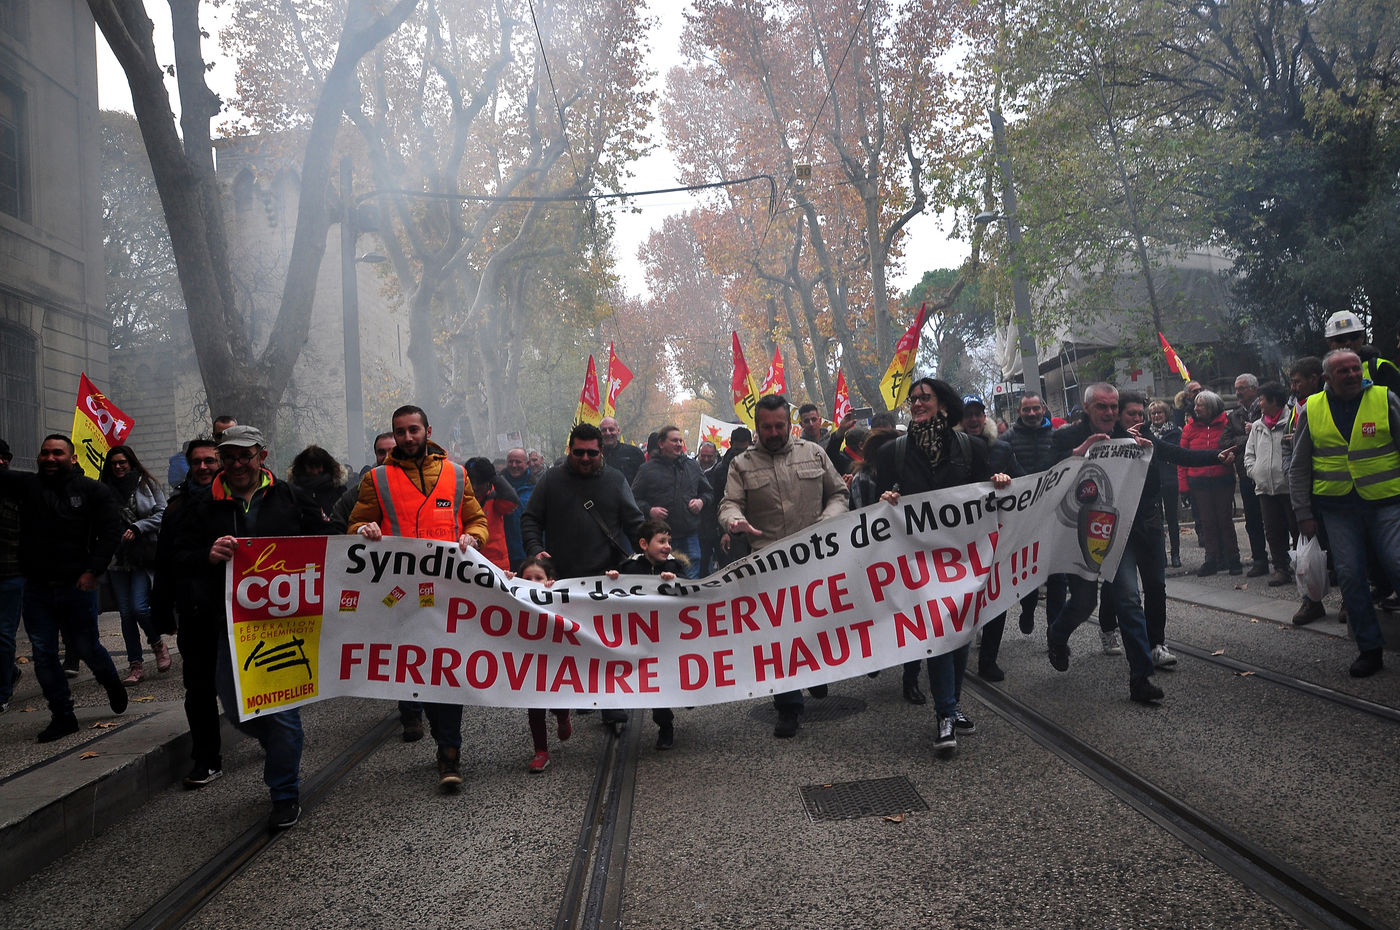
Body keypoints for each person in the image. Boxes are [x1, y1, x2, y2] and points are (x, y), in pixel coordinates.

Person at [176, 425, 325, 829]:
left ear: (262, 455)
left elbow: (328, 540)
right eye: (229, 457)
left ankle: (284, 793)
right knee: (237, 711)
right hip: (228, 626)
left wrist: (362, 534)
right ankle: (280, 741)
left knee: (282, 716)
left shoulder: (290, 496)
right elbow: (175, 556)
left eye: (245, 455)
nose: (237, 463)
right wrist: (206, 555)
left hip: (284, 624)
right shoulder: (200, 505)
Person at [1045, 385, 1231, 702]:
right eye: (1102, 407)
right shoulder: (1068, 437)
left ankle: (1141, 677)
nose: (1108, 413)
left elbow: (1175, 453)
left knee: (1137, 595)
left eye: (1113, 407)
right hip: (1094, 532)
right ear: (1087, 408)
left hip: (1139, 528)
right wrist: (1078, 453)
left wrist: (1216, 456)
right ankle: (1058, 634)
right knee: (1090, 602)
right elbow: (1045, 474)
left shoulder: (1135, 437)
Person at [348, 405, 489, 790]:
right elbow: (355, 524)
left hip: (449, 589)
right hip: (403, 593)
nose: (408, 437)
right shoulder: (377, 478)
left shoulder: (457, 474)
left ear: (428, 430)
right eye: (400, 431)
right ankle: (442, 735)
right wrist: (364, 530)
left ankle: (449, 751)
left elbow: (477, 520)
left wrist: (474, 537)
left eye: (414, 430)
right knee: (423, 669)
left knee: (448, 666)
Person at [871, 380, 1011, 751]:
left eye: (925, 398)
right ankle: (945, 713)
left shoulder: (972, 447)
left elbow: (983, 494)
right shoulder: (892, 453)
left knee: (960, 633)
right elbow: (875, 504)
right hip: (919, 560)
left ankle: (953, 704)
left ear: (943, 406)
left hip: (963, 558)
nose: (917, 403)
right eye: (913, 399)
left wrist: (999, 483)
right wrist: (886, 498)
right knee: (938, 634)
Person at [720, 394, 850, 738]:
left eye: (780, 425)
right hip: (769, 565)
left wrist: (828, 520)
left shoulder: (814, 453)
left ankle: (817, 670)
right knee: (778, 638)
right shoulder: (741, 464)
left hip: (815, 560)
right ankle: (788, 707)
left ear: (789, 424)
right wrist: (734, 521)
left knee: (816, 623)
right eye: (767, 427)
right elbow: (729, 503)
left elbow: (839, 494)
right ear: (757, 427)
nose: (774, 432)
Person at [0, 436, 129, 742]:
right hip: (37, 588)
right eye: (44, 453)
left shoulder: (92, 491)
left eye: (57, 453)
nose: (50, 458)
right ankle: (62, 715)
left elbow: (111, 531)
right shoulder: (27, 487)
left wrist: (93, 570)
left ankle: (111, 681)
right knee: (44, 653)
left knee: (87, 647)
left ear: (72, 458)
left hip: (78, 586)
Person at [522, 422, 645, 733]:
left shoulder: (616, 480)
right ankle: (581, 694)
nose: (585, 458)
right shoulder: (551, 480)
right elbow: (530, 519)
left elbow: (635, 523)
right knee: (570, 645)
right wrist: (536, 551)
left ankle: (611, 704)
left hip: (607, 578)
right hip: (562, 581)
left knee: (607, 645)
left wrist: (651, 556)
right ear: (570, 450)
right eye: (579, 453)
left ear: (601, 451)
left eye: (592, 453)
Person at [1289, 349, 1400, 677]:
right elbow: (1298, 466)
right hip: (1338, 509)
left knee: (1397, 562)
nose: (1352, 375)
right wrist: (1302, 512)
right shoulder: (1312, 408)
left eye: (1355, 368)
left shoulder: (1384, 398)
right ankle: (1370, 649)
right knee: (1350, 576)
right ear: (1326, 378)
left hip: (1386, 502)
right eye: (1343, 371)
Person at [151, 437, 224, 787]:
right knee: (198, 688)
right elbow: (166, 561)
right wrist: (161, 610)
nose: (203, 467)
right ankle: (205, 759)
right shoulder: (177, 508)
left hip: (238, 609)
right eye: (197, 462)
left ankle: (270, 738)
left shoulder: (236, 502)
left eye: (210, 461)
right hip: (195, 610)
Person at [958, 394, 1023, 682]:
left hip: (996, 533)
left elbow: (1023, 482)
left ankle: (988, 660)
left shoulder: (1003, 449)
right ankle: (955, 655)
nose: (973, 419)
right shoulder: (950, 450)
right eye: (967, 414)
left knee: (996, 595)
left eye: (977, 414)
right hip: (960, 538)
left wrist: (1008, 481)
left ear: (984, 417)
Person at [605, 520, 686, 750]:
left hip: (668, 635)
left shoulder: (675, 566)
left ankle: (684, 698)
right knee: (655, 682)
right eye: (661, 541)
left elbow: (690, 589)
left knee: (670, 676)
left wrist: (676, 581)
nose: (667, 546)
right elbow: (615, 588)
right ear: (644, 544)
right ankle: (665, 725)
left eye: (669, 541)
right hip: (642, 637)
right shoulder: (630, 567)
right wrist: (612, 578)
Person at [98, 445, 170, 685]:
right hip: (116, 559)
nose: (118, 467)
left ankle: (157, 643)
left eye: (122, 462)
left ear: (131, 463)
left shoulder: (147, 484)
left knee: (139, 608)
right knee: (126, 614)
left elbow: (162, 514)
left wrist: (138, 527)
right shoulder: (102, 489)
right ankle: (135, 665)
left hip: (142, 555)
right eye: (114, 463)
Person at [510, 554, 572, 773]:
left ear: (550, 579)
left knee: (557, 698)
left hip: (554, 658)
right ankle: (541, 751)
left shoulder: (557, 596)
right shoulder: (515, 594)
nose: (533, 583)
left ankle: (562, 715)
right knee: (535, 708)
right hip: (530, 660)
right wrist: (505, 581)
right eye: (528, 578)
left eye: (539, 578)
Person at [631, 425, 712, 579]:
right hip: (659, 537)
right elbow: (633, 498)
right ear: (661, 443)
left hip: (689, 535)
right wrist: (649, 510)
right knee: (663, 579)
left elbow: (708, 492)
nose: (679, 444)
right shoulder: (647, 470)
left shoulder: (692, 466)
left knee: (690, 580)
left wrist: (701, 501)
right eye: (674, 441)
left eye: (680, 441)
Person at [1285, 357, 1329, 625]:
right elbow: (1293, 455)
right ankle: (1311, 600)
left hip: (1331, 490)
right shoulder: (1298, 408)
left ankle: (1349, 601)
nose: (1293, 387)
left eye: (1297, 381)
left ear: (1315, 379)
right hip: (1304, 490)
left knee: (1337, 550)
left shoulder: (1325, 405)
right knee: (1304, 549)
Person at [1180, 390, 1242, 575]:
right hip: (1198, 482)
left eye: (1200, 405)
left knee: (1225, 520)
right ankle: (1211, 559)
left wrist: (1232, 456)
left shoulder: (1226, 424)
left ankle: (1233, 558)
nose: (1196, 408)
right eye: (1196, 405)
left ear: (1212, 407)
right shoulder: (1189, 428)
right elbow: (1182, 459)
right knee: (1207, 522)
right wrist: (1183, 487)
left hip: (1222, 479)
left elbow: (1235, 445)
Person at [1245, 382, 1295, 588]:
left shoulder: (1293, 420)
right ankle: (1281, 568)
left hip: (1289, 488)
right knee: (1273, 531)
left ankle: (1303, 566)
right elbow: (1249, 454)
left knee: (1297, 529)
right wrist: (1255, 472)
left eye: (1262, 399)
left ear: (1274, 400)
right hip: (1265, 488)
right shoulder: (1257, 426)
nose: (1259, 403)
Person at [1223, 374, 1269, 575]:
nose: (1238, 392)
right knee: (1252, 520)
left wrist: (1255, 429)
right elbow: (1225, 442)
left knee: (1275, 518)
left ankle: (1284, 560)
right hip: (1246, 473)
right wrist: (1248, 436)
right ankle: (1259, 560)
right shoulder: (1234, 416)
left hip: (1268, 471)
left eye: (1241, 388)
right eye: (1236, 389)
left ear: (1254, 388)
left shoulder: (1266, 408)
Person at [329, 433, 395, 533]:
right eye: (381, 452)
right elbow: (337, 523)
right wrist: (360, 530)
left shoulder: (415, 484)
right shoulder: (358, 492)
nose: (386, 457)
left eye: (392, 452)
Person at [465, 457, 520, 572]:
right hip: (468, 560)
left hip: (496, 563)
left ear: (489, 482)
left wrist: (494, 477)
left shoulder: (495, 496)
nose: (474, 487)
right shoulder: (462, 497)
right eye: (471, 482)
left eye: (479, 482)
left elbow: (512, 501)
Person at [1323, 310, 1400, 390]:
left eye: (1353, 336)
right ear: (1329, 343)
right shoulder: (1324, 376)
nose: (1348, 342)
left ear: (1362, 337)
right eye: (1340, 339)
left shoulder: (1382, 368)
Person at [1146, 400, 1183, 567]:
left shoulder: (1175, 432)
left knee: (1172, 519)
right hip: (1153, 482)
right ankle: (1161, 555)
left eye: (1159, 412)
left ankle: (1175, 554)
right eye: (1153, 413)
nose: (1156, 416)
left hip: (1170, 480)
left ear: (1165, 414)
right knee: (1157, 521)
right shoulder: (1146, 433)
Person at [0, 439, 22, 714]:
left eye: (5, 457)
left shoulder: (19, 492)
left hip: (11, 573)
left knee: (4, 635)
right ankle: (11, 671)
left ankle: (2, 692)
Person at [287, 444, 346, 518]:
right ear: (303, 467)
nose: (315, 472)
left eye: (318, 467)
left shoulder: (338, 489)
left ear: (326, 466)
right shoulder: (292, 492)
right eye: (311, 467)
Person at [501, 447, 535, 570]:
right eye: (511, 461)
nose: (514, 465)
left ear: (527, 463)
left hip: (529, 552)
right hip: (504, 554)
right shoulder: (496, 487)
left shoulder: (537, 488)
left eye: (518, 462)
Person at [696, 441, 721, 576]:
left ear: (715, 456)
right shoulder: (691, 469)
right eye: (703, 456)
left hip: (717, 524)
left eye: (709, 456)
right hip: (698, 526)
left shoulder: (721, 471)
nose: (706, 460)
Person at [600, 416, 645, 484]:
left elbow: (644, 479)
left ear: (618, 431)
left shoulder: (634, 453)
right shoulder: (594, 455)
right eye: (604, 430)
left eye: (611, 429)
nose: (608, 433)